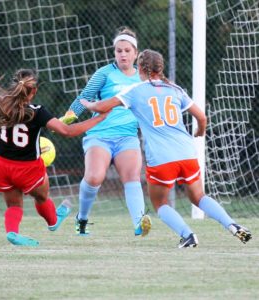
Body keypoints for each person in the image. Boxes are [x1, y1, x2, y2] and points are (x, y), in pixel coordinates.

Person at [80, 49, 252, 248]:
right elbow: (202, 117)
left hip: (162, 158)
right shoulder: (175, 89)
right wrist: (199, 132)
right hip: (187, 152)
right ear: (160, 68)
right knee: (199, 196)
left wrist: (88, 104)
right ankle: (232, 225)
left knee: (160, 204)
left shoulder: (135, 90)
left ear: (141, 69)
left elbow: (103, 107)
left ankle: (188, 235)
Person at [0, 64, 109, 246]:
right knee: (42, 197)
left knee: (14, 205)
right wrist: (99, 118)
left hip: (0, 165)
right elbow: (67, 131)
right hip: (27, 168)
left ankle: (12, 232)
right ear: (34, 91)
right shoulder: (37, 111)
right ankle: (53, 222)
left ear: (14, 85)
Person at [59, 26, 151, 236]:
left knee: (132, 177)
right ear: (114, 52)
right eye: (119, 50)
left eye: (127, 50)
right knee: (94, 177)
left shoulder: (142, 78)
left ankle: (139, 223)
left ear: (136, 53)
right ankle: (81, 219)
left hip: (127, 136)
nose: (123, 54)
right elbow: (83, 99)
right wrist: (66, 120)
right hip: (99, 134)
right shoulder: (104, 73)